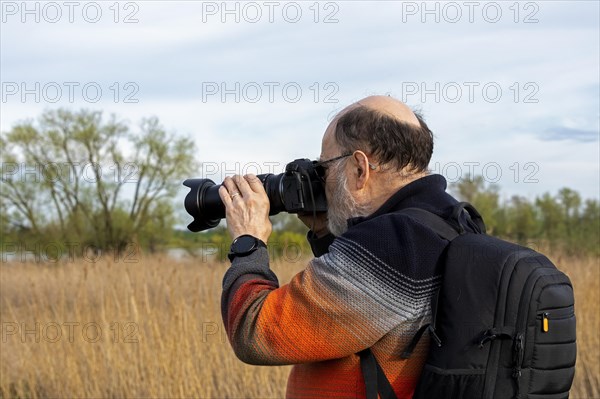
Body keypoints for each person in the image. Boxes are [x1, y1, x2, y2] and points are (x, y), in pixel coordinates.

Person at [217, 95, 462, 398]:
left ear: (360, 169)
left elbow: (254, 332)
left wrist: (248, 240)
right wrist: (324, 230)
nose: (323, 181)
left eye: (325, 167)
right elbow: (360, 314)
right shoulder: (447, 223)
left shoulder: (392, 242)